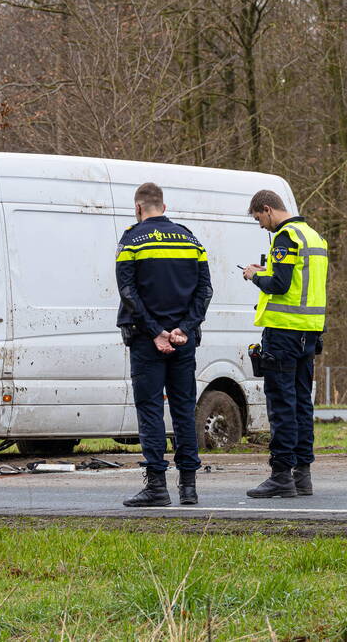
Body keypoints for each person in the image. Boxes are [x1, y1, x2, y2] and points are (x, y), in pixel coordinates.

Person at [117, 182, 212, 506]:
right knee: (184, 411)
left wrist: (156, 331)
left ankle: (157, 486)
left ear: (138, 208)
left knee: (151, 411)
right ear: (164, 207)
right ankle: (189, 487)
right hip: (184, 342)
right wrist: (183, 329)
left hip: (147, 342)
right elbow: (205, 291)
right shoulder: (190, 240)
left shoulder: (132, 239)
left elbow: (128, 292)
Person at [241, 190, 328, 498]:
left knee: (281, 403)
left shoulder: (285, 237)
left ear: (268, 210)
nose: (262, 225)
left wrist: (254, 275)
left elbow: (280, 285)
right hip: (310, 331)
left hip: (283, 332)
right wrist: (269, 272)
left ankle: (280, 475)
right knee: (303, 404)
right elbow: (302, 283)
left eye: (259, 219)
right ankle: (302, 474)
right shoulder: (313, 237)